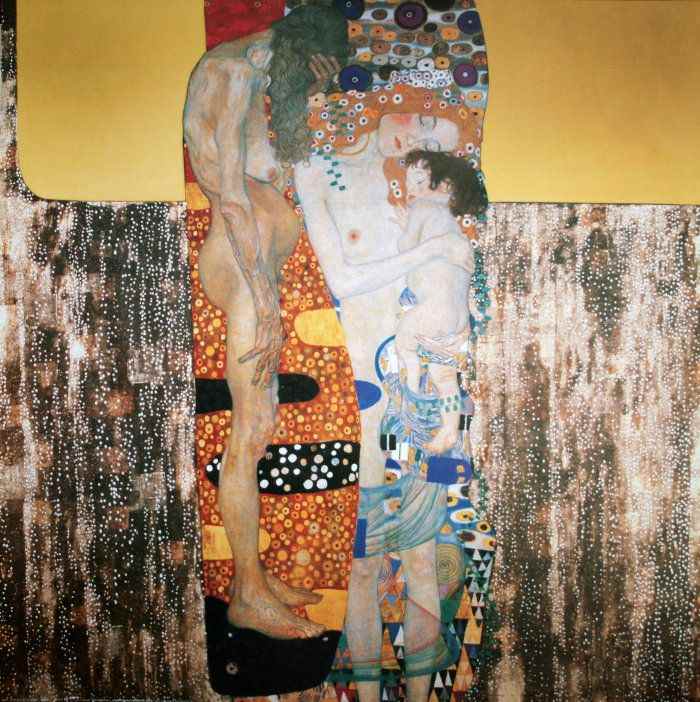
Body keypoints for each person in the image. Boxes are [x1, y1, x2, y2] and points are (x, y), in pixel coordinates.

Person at [295, 102, 477, 702]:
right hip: (357, 397)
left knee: (424, 553)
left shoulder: (420, 205)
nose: (416, 142)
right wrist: (428, 254)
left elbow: (445, 297)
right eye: (420, 125)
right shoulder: (316, 170)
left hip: (419, 387)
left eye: (433, 143)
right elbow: (344, 280)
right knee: (362, 563)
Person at [183, 4, 349, 639]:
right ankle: (246, 594)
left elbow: (266, 163)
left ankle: (254, 576)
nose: (305, 81)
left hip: (257, 267)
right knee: (249, 434)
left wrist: (308, 90)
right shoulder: (229, 72)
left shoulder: (259, 73)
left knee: (259, 429)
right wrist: (264, 296)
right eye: (309, 67)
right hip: (243, 266)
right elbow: (230, 197)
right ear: (294, 43)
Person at [393, 149, 487, 454]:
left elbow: (406, 247)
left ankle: (412, 386)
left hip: (432, 312)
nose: (412, 190)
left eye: (419, 182)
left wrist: (405, 226)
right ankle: (448, 431)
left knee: (405, 343)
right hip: (458, 319)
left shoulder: (423, 208)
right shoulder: (454, 228)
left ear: (445, 186)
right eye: (409, 183)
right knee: (444, 375)